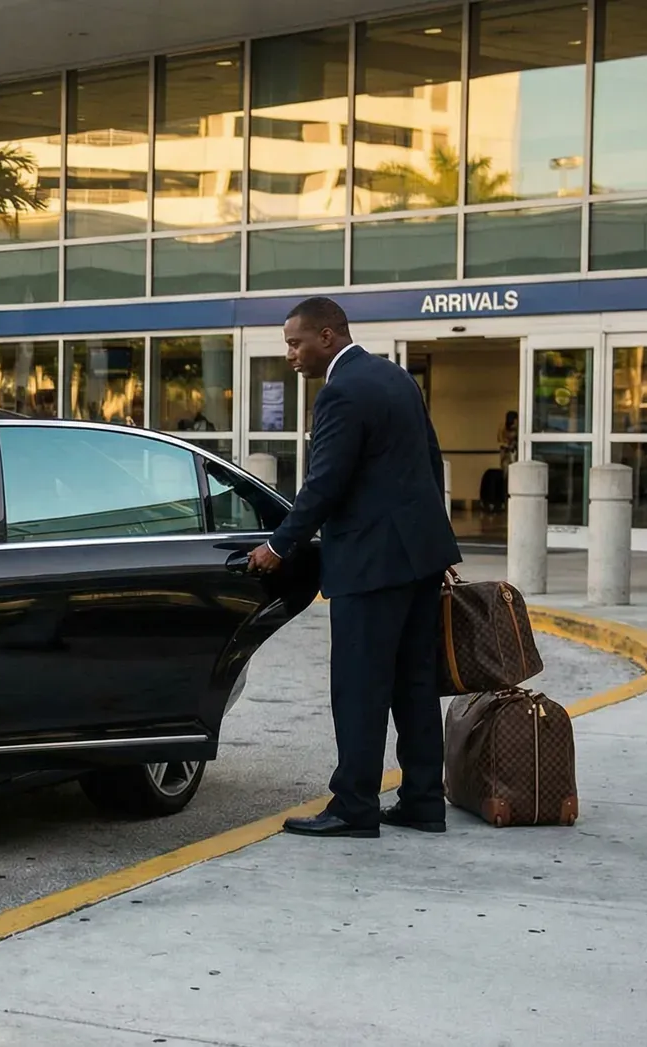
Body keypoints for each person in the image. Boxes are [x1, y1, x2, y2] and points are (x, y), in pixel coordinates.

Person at [247, 297, 462, 839]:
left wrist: (280, 545)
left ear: (328, 335)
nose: (291, 355)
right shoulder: (395, 378)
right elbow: (431, 461)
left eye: (296, 343)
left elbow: (325, 482)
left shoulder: (341, 392)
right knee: (414, 686)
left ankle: (354, 807)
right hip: (418, 559)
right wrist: (435, 545)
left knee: (360, 688)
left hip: (371, 565)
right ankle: (422, 802)